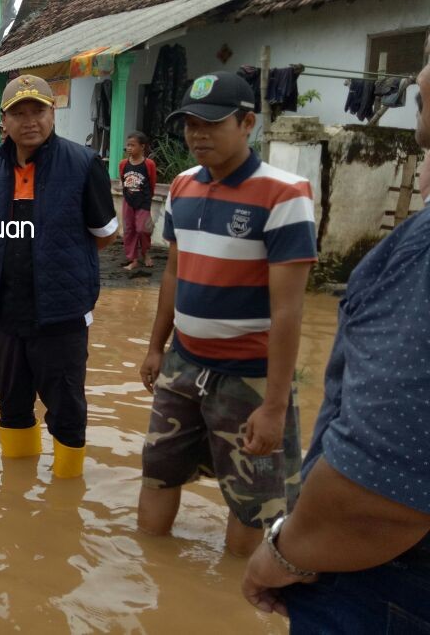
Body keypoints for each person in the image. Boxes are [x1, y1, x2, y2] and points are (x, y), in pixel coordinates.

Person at [240, 41, 430, 631]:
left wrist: (282, 554)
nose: (418, 77)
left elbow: (382, 481)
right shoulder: (189, 188)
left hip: (385, 578)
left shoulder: (284, 196)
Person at [137, 71, 317, 557]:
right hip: (183, 364)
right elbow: (173, 273)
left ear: (247, 123)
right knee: (158, 473)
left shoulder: (285, 194)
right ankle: (153, 575)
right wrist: (156, 347)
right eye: (190, 124)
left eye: (212, 124)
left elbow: (289, 310)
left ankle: (235, 590)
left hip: (249, 376)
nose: (198, 135)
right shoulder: (181, 186)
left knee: (254, 504)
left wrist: (274, 407)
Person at [0, 75, 117, 479]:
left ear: (52, 113)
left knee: (67, 408)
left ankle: (67, 491)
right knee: (11, 403)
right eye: (18, 113)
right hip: (5, 311)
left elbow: (105, 235)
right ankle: (16, 491)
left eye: (38, 110)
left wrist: (60, 261)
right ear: (3, 121)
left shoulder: (83, 164)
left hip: (62, 314)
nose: (30, 121)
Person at [118, 131, 157, 272]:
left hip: (143, 202)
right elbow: (123, 180)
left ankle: (145, 253)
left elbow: (152, 183)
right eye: (128, 145)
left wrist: (147, 200)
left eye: (132, 145)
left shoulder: (149, 164)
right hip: (128, 201)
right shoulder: (123, 164)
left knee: (143, 229)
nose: (129, 148)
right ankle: (133, 259)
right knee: (129, 230)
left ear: (142, 146)